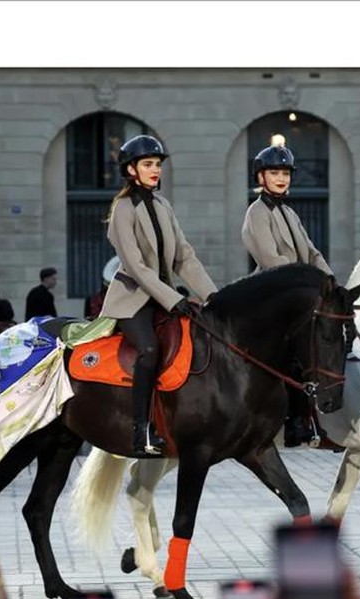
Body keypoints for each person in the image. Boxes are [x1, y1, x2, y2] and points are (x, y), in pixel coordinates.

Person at [99, 134, 219, 456]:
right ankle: (141, 430)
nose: (155, 170)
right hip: (132, 299)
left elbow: (184, 257)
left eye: (157, 165)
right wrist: (173, 299)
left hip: (164, 295)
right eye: (148, 164)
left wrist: (214, 297)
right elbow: (137, 267)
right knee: (149, 350)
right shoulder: (123, 208)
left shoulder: (163, 205)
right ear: (131, 170)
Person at [241, 140, 335, 446]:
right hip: (270, 296)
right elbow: (269, 259)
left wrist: (331, 284)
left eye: (285, 173)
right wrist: (307, 280)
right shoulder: (257, 212)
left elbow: (311, 251)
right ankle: (292, 420)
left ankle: (311, 416)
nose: (281, 178)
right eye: (274, 173)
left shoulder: (290, 213)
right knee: (291, 350)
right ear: (261, 178)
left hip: (298, 295)